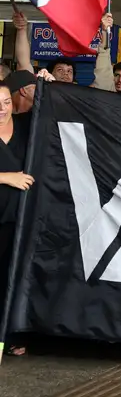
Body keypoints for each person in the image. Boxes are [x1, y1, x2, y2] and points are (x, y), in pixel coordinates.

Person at [0, 82, 32, 356]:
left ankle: (7, 336)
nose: (2, 109)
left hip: (19, 219)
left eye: (6, 102)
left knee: (11, 279)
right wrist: (6, 177)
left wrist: (46, 83)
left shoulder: (24, 126)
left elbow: (50, 107)